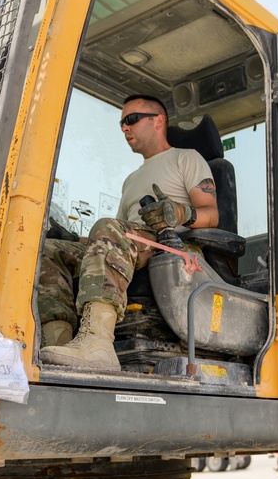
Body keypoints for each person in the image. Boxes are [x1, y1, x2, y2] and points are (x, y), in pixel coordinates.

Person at [37, 95, 219, 371]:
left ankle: (97, 343)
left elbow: (211, 214)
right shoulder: (131, 179)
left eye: (131, 119)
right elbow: (110, 236)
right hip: (134, 241)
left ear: (158, 121)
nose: (124, 128)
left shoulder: (186, 158)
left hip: (174, 246)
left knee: (108, 227)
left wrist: (181, 213)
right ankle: (60, 341)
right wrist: (71, 240)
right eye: (121, 122)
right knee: (49, 251)